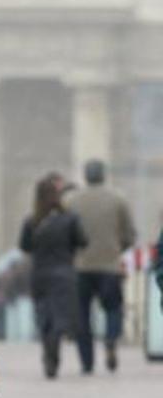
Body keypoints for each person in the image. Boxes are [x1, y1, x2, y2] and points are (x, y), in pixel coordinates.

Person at [65, 159, 136, 373]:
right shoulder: (118, 199)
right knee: (114, 308)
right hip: (110, 265)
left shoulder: (71, 200)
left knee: (82, 316)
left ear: (85, 176)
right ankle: (111, 339)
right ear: (103, 175)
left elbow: (65, 233)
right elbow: (129, 234)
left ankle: (87, 363)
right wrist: (118, 248)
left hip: (80, 266)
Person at [19, 177, 87, 378]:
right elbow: (83, 241)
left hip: (40, 274)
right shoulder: (71, 218)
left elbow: (24, 246)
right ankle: (54, 350)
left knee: (44, 316)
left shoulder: (32, 220)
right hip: (64, 274)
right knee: (60, 317)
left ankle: (49, 353)